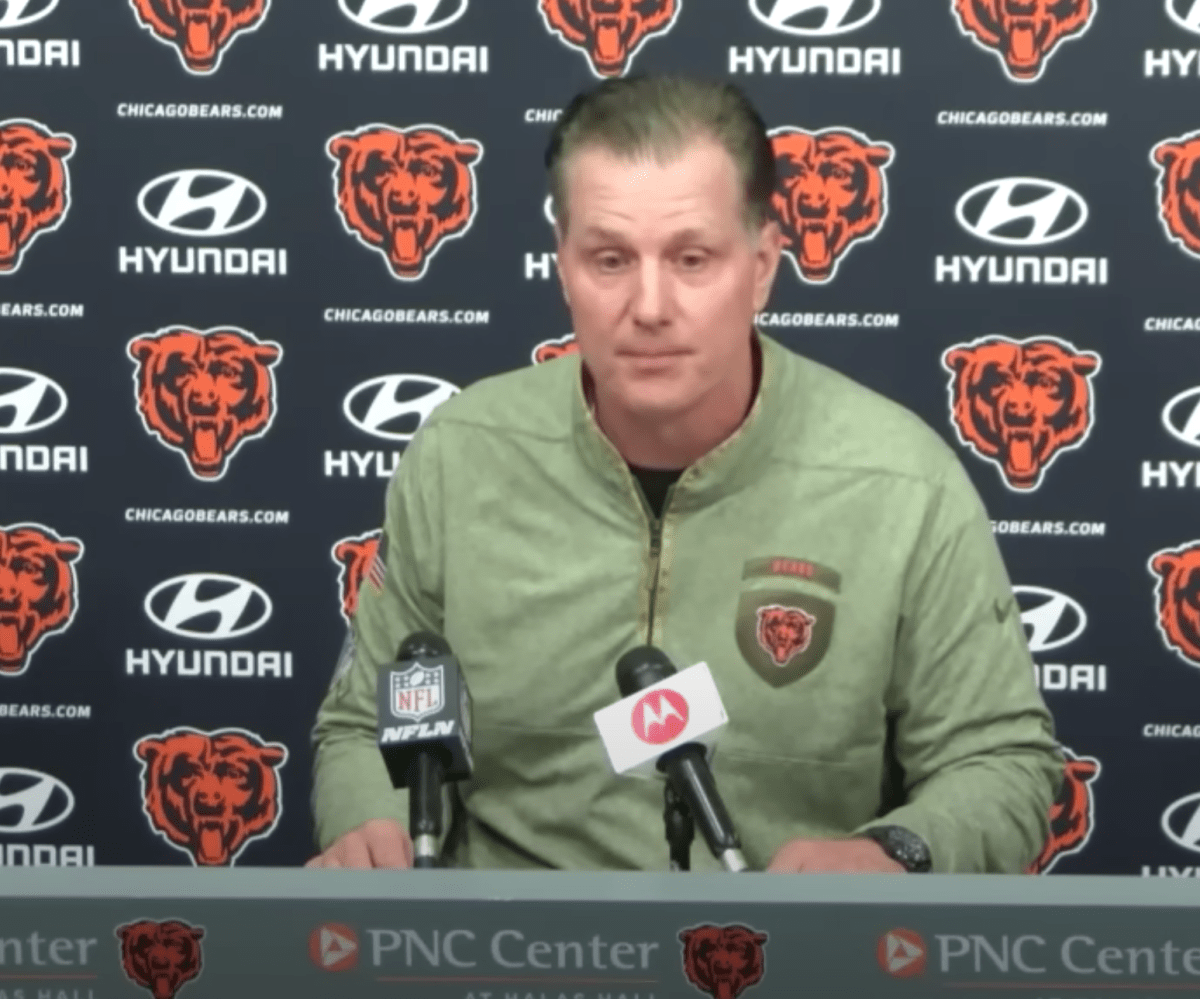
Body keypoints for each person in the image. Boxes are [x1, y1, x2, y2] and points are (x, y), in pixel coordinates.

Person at [309, 75, 1061, 873]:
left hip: (783, 958)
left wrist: (897, 852)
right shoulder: (460, 456)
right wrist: (372, 831)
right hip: (506, 962)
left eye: (692, 258)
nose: (650, 304)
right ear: (562, 268)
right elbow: (363, 727)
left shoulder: (902, 483)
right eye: (609, 259)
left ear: (763, 266)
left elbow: (1000, 763)